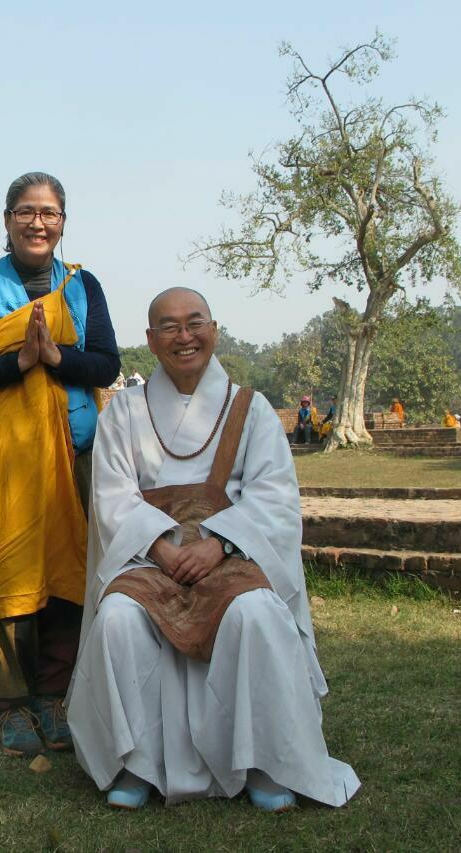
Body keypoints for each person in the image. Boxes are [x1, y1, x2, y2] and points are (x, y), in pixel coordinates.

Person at [67, 287, 359, 813]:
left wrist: (220, 543)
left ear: (215, 330)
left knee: (257, 613)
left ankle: (265, 764)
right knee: (117, 619)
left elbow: (273, 496)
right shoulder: (125, 412)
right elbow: (111, 494)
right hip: (150, 559)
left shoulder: (253, 410)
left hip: (232, 557)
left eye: (195, 322)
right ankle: (138, 765)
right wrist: (160, 547)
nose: (185, 337)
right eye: (170, 327)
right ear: (151, 340)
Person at [0, 171, 120, 757]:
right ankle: (13, 706)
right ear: (7, 220)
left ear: (63, 222)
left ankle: (52, 695)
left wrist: (56, 356)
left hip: (78, 455)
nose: (37, 222)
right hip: (8, 462)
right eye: (25, 211)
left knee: (68, 574)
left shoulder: (82, 286)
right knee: (11, 574)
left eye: (48, 212)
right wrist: (19, 362)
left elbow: (106, 365)